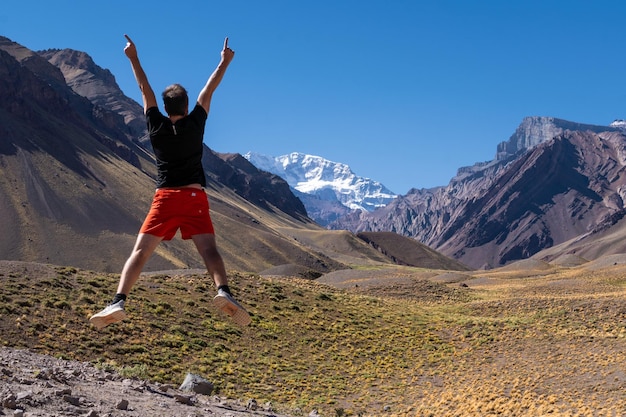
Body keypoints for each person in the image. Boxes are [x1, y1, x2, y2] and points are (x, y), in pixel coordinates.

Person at [89, 34, 250, 329]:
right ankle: (223, 291)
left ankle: (118, 301)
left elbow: (143, 87)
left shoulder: (155, 124)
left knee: (140, 252)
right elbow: (209, 89)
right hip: (193, 198)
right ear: (187, 107)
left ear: (165, 107)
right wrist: (224, 62)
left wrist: (133, 57)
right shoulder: (196, 121)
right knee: (209, 250)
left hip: (164, 198)